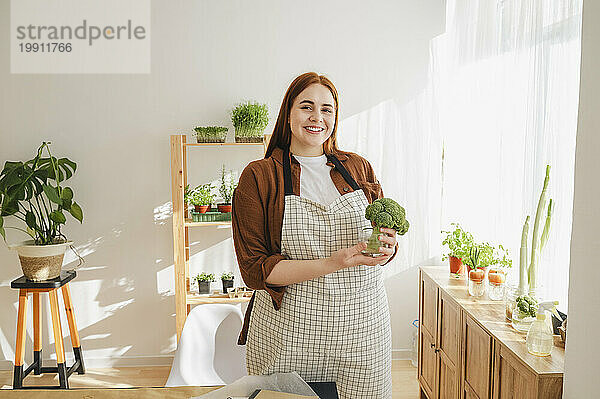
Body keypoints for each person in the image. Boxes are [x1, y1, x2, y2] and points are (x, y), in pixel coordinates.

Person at [231, 72, 398, 399]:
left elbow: (379, 241)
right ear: (288, 113)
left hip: (363, 329)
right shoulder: (260, 176)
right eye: (306, 107)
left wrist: (387, 248)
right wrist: (333, 262)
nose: (317, 117)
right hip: (290, 332)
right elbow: (254, 271)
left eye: (327, 109)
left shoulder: (359, 168)